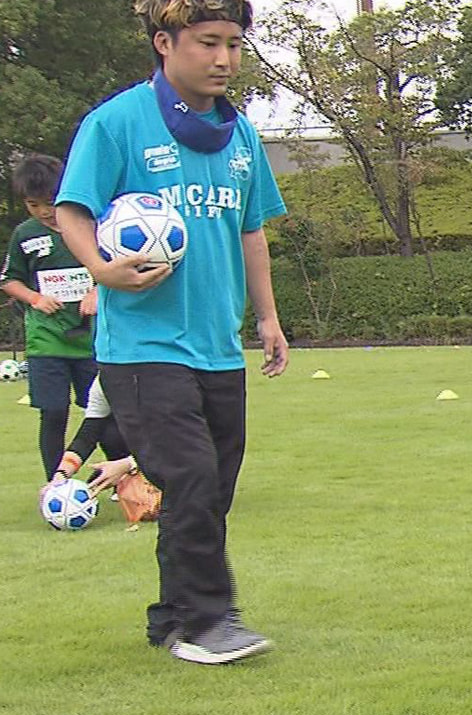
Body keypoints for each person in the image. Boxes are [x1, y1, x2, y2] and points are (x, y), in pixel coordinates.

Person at [56, 0, 289, 665]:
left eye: (235, 45)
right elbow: (73, 210)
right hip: (142, 348)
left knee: (212, 486)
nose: (224, 59)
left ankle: (171, 617)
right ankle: (210, 621)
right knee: (188, 474)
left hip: (217, 345)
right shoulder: (116, 123)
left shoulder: (239, 136)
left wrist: (267, 318)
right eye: (208, 42)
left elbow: (252, 231)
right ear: (165, 41)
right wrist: (104, 268)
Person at [0, 154, 99, 482]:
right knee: (53, 412)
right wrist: (36, 298)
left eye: (50, 202)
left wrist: (97, 290)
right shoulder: (25, 235)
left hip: (94, 341)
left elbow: (118, 265)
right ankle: (56, 486)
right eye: (33, 204)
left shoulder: (91, 224)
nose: (44, 211)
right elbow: (9, 279)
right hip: (47, 342)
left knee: (104, 412)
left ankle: (126, 481)